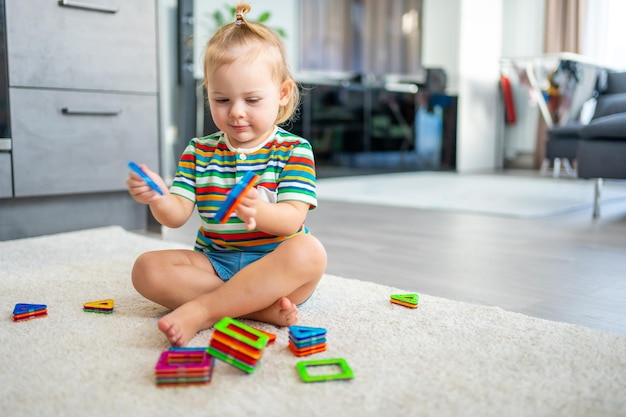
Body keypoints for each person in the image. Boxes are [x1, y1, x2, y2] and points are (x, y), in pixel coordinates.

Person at [126, 3, 327, 347]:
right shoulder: (198, 150)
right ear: (209, 93)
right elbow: (176, 216)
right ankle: (258, 311)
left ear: (281, 94)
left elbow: (293, 221)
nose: (236, 113)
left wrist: (260, 212)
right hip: (215, 261)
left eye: (251, 99)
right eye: (221, 99)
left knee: (310, 252)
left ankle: (203, 310)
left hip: (274, 267)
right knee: (146, 269)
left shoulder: (294, 150)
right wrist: (158, 198)